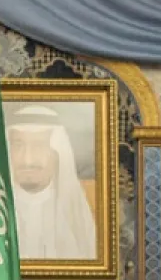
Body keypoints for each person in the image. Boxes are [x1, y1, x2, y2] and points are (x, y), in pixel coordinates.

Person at [6, 104, 98, 260]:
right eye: (18, 145)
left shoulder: (78, 217)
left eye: (39, 145)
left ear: (58, 153)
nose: (28, 159)